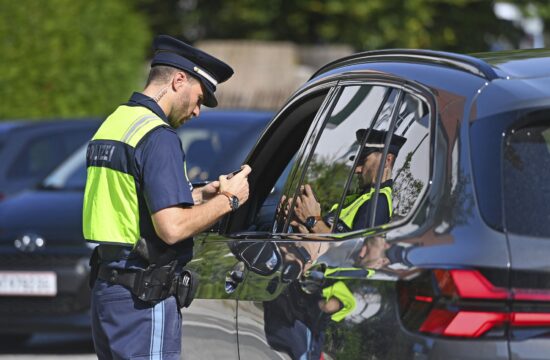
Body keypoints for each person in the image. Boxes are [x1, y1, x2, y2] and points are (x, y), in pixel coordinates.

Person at [82, 35, 251, 360]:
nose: (198, 112)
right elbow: (171, 228)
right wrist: (228, 200)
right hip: (142, 296)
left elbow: (131, 201)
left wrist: (200, 194)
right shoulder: (158, 137)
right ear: (178, 81)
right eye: (199, 98)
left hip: (109, 290)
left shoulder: (115, 123)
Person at [292, 128, 406, 234]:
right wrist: (299, 222)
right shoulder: (361, 198)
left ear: (387, 160)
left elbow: (352, 251)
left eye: (363, 161)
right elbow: (329, 237)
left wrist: (312, 220)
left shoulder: (377, 202)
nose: (357, 169)